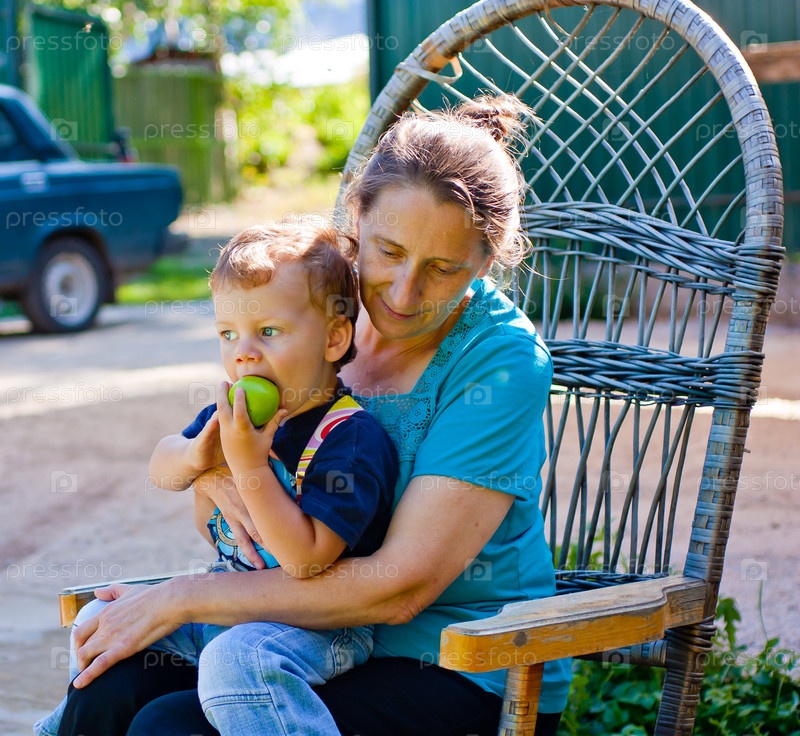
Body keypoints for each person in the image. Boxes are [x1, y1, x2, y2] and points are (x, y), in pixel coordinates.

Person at [52, 95, 573, 736]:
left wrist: (179, 597)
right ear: (357, 220)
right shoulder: (314, 307)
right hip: (296, 635)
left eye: (442, 270)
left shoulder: (501, 362)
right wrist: (214, 468)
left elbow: (399, 588)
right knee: (112, 685)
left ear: (486, 264)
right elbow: (217, 476)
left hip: (456, 661)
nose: (403, 293)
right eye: (388, 252)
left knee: (171, 726)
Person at [35, 222, 398, 736]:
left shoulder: (349, 439)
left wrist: (249, 468)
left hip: (317, 629)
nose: (243, 352)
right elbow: (163, 470)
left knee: (235, 659)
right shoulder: (232, 416)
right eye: (228, 334)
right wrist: (196, 457)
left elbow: (306, 559)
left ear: (334, 338)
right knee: (99, 617)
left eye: (268, 331)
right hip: (227, 603)